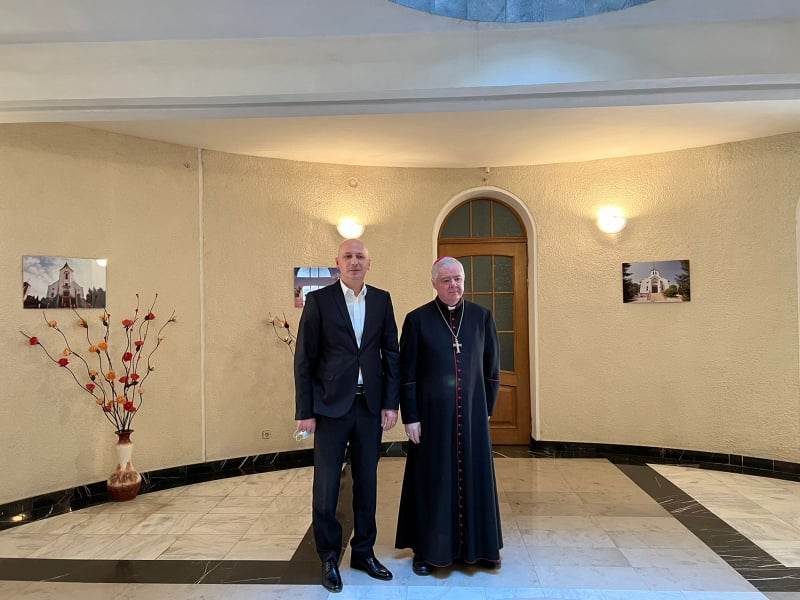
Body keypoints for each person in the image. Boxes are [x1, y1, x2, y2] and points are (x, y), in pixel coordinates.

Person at [294, 238, 400, 593]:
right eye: (348, 256)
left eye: (360, 257)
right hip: (329, 408)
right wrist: (305, 411)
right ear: (337, 263)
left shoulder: (382, 300)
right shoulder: (319, 301)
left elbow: (391, 353)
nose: (354, 262)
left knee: (366, 482)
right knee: (326, 486)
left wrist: (390, 403)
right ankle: (328, 555)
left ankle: (364, 552)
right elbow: (304, 359)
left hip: (369, 407)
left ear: (369, 263)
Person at [395, 256, 503, 575]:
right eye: (446, 280)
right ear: (434, 284)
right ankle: (426, 550)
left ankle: (480, 549)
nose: (453, 285)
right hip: (430, 420)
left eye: (457, 279)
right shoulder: (417, 320)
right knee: (432, 482)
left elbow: (492, 369)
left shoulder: (482, 317)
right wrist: (410, 416)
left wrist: (486, 409)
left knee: (475, 479)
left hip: (472, 418)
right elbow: (407, 374)